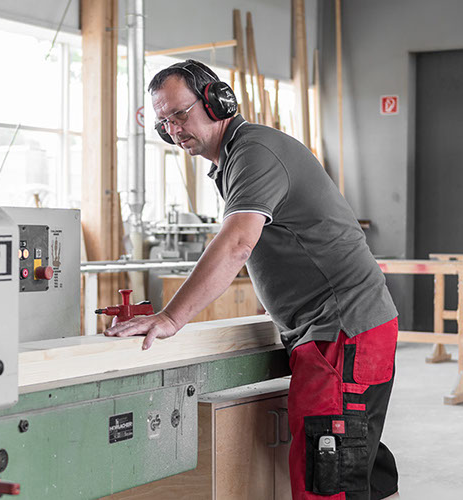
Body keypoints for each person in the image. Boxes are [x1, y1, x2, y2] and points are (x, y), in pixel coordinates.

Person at [104, 59, 400, 500]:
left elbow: (238, 243)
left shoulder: (254, 152)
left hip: (340, 332)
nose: (174, 130)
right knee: (358, 464)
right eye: (164, 123)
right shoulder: (234, 159)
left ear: (216, 101)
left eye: (180, 114)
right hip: (342, 329)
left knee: (328, 480)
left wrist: (170, 318)